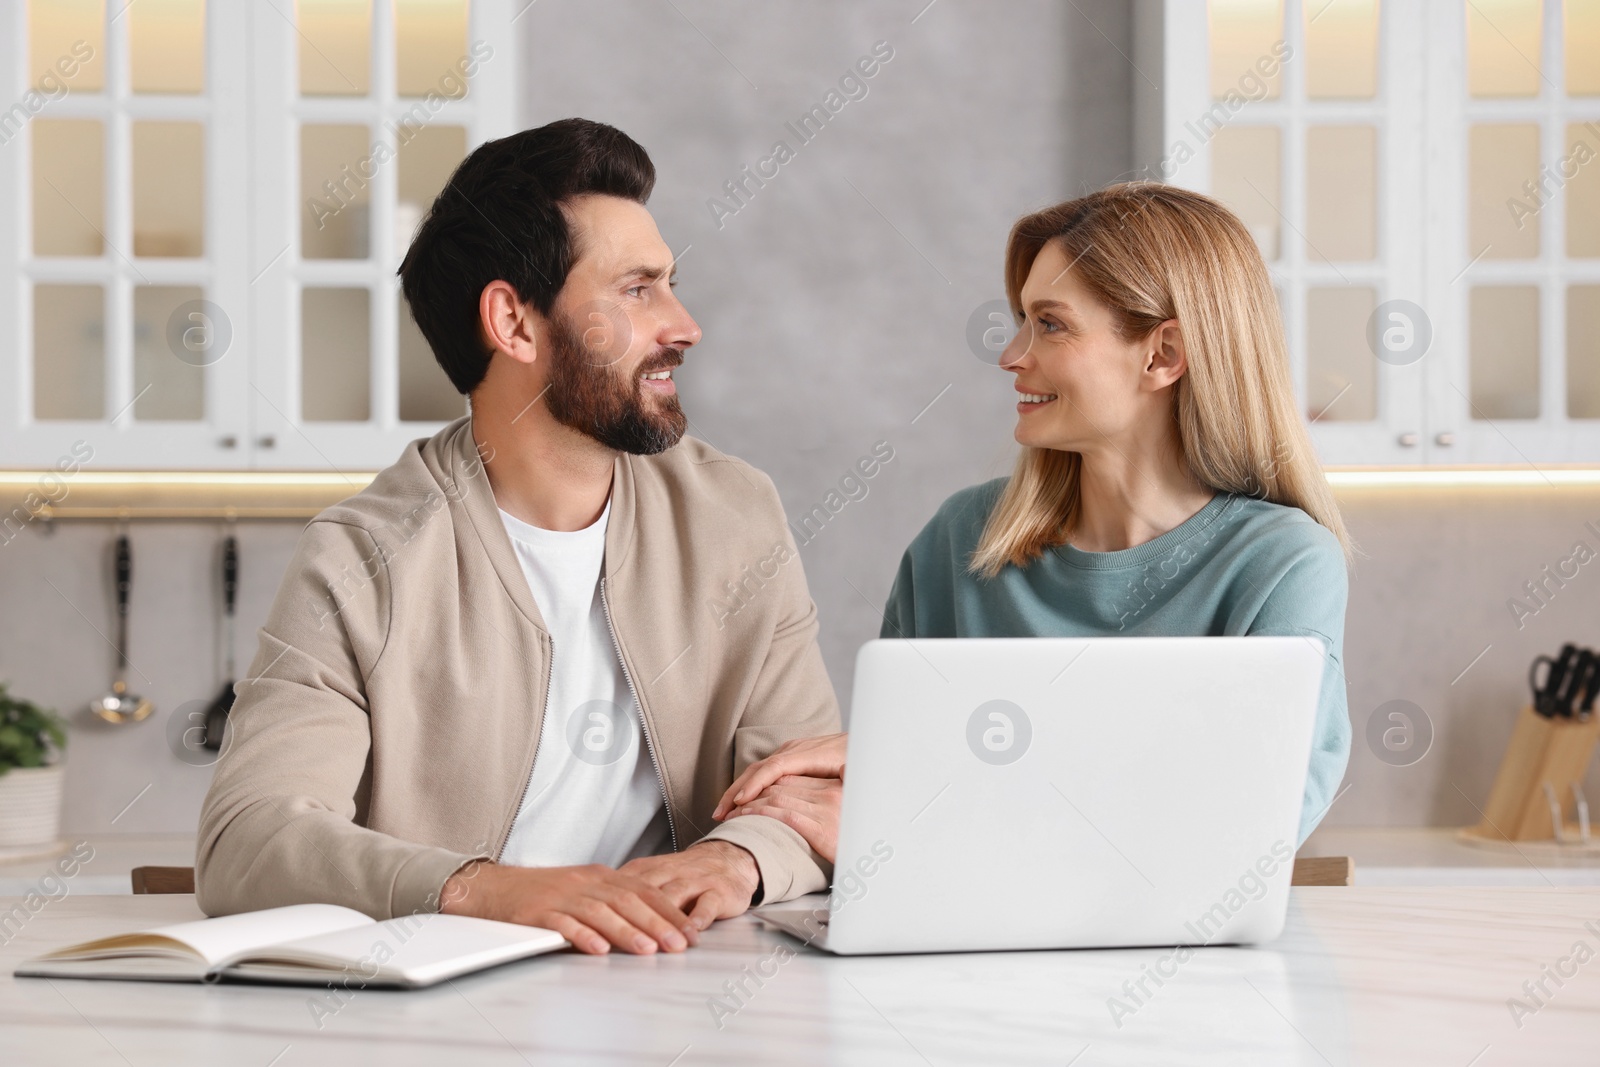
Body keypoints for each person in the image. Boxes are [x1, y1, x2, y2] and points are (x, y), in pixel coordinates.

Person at [196, 119, 841, 956]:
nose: (684, 325)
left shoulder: (735, 516)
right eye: (638, 290)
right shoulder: (361, 559)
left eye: (670, 285)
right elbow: (246, 839)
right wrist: (485, 889)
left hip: (682, 985)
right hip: (444, 1012)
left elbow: (807, 791)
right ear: (514, 322)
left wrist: (735, 857)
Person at [714, 183, 1353, 861]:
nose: (1012, 355)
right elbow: (897, 805)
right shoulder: (960, 540)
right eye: (1022, 319)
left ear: (1163, 354)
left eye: (1050, 323)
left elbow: (1243, 833)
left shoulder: (1283, 565)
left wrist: (933, 790)